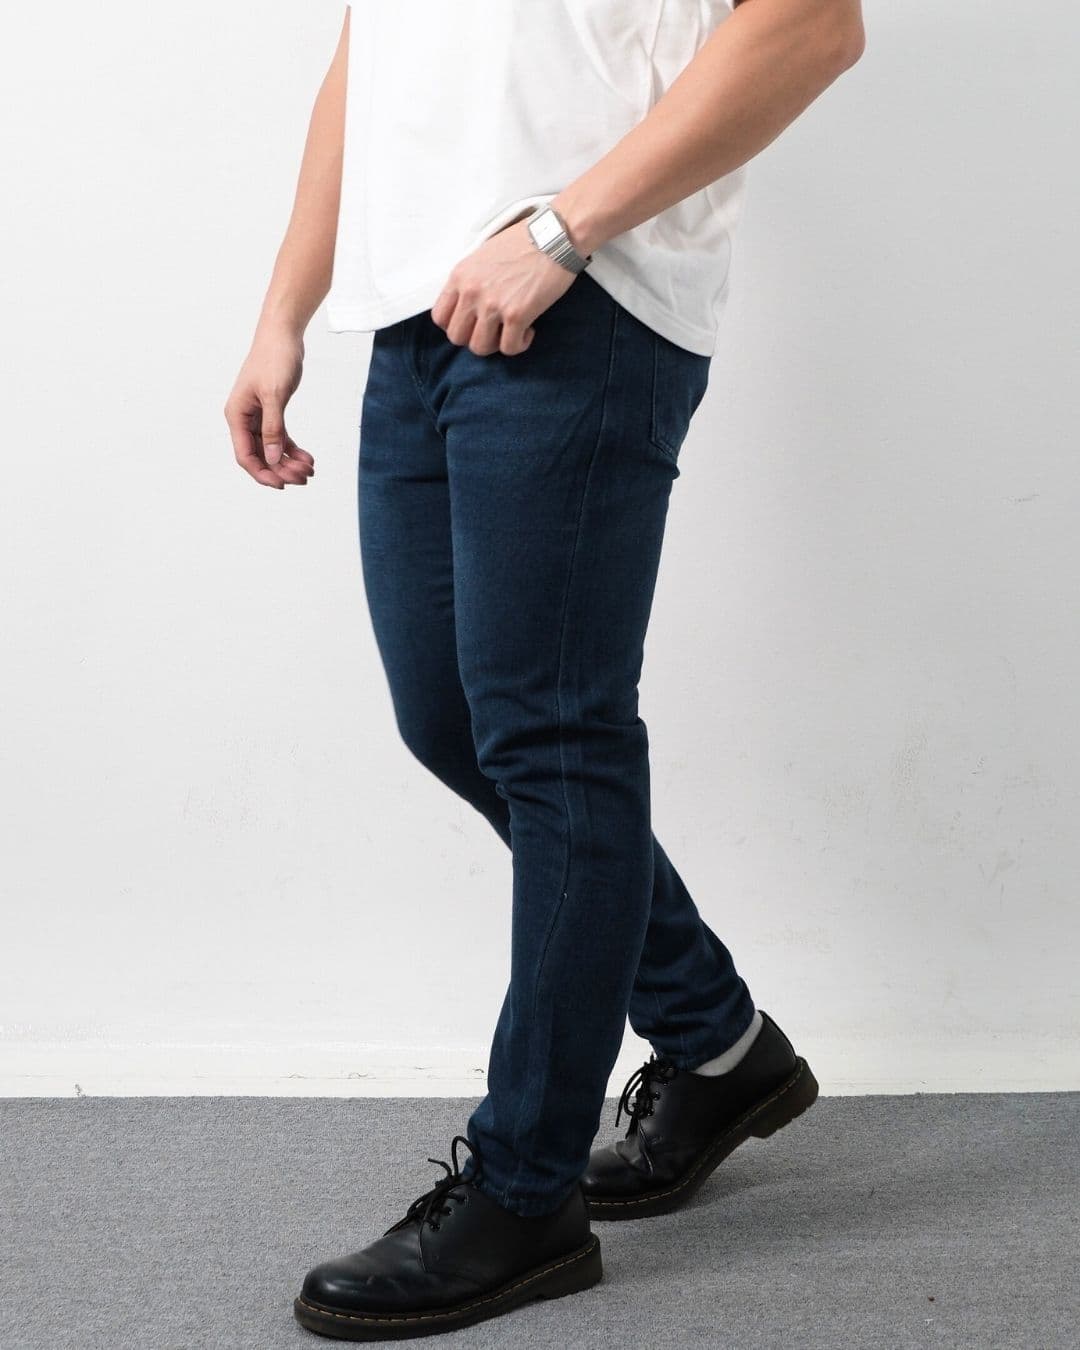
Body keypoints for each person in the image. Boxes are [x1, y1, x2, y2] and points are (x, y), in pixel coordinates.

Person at [224, 0, 865, 1339]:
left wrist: (563, 231)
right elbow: (369, 54)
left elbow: (813, 26)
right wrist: (286, 305)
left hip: (582, 299)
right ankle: (720, 1045)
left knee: (555, 737)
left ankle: (524, 1193)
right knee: (454, 718)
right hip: (416, 313)